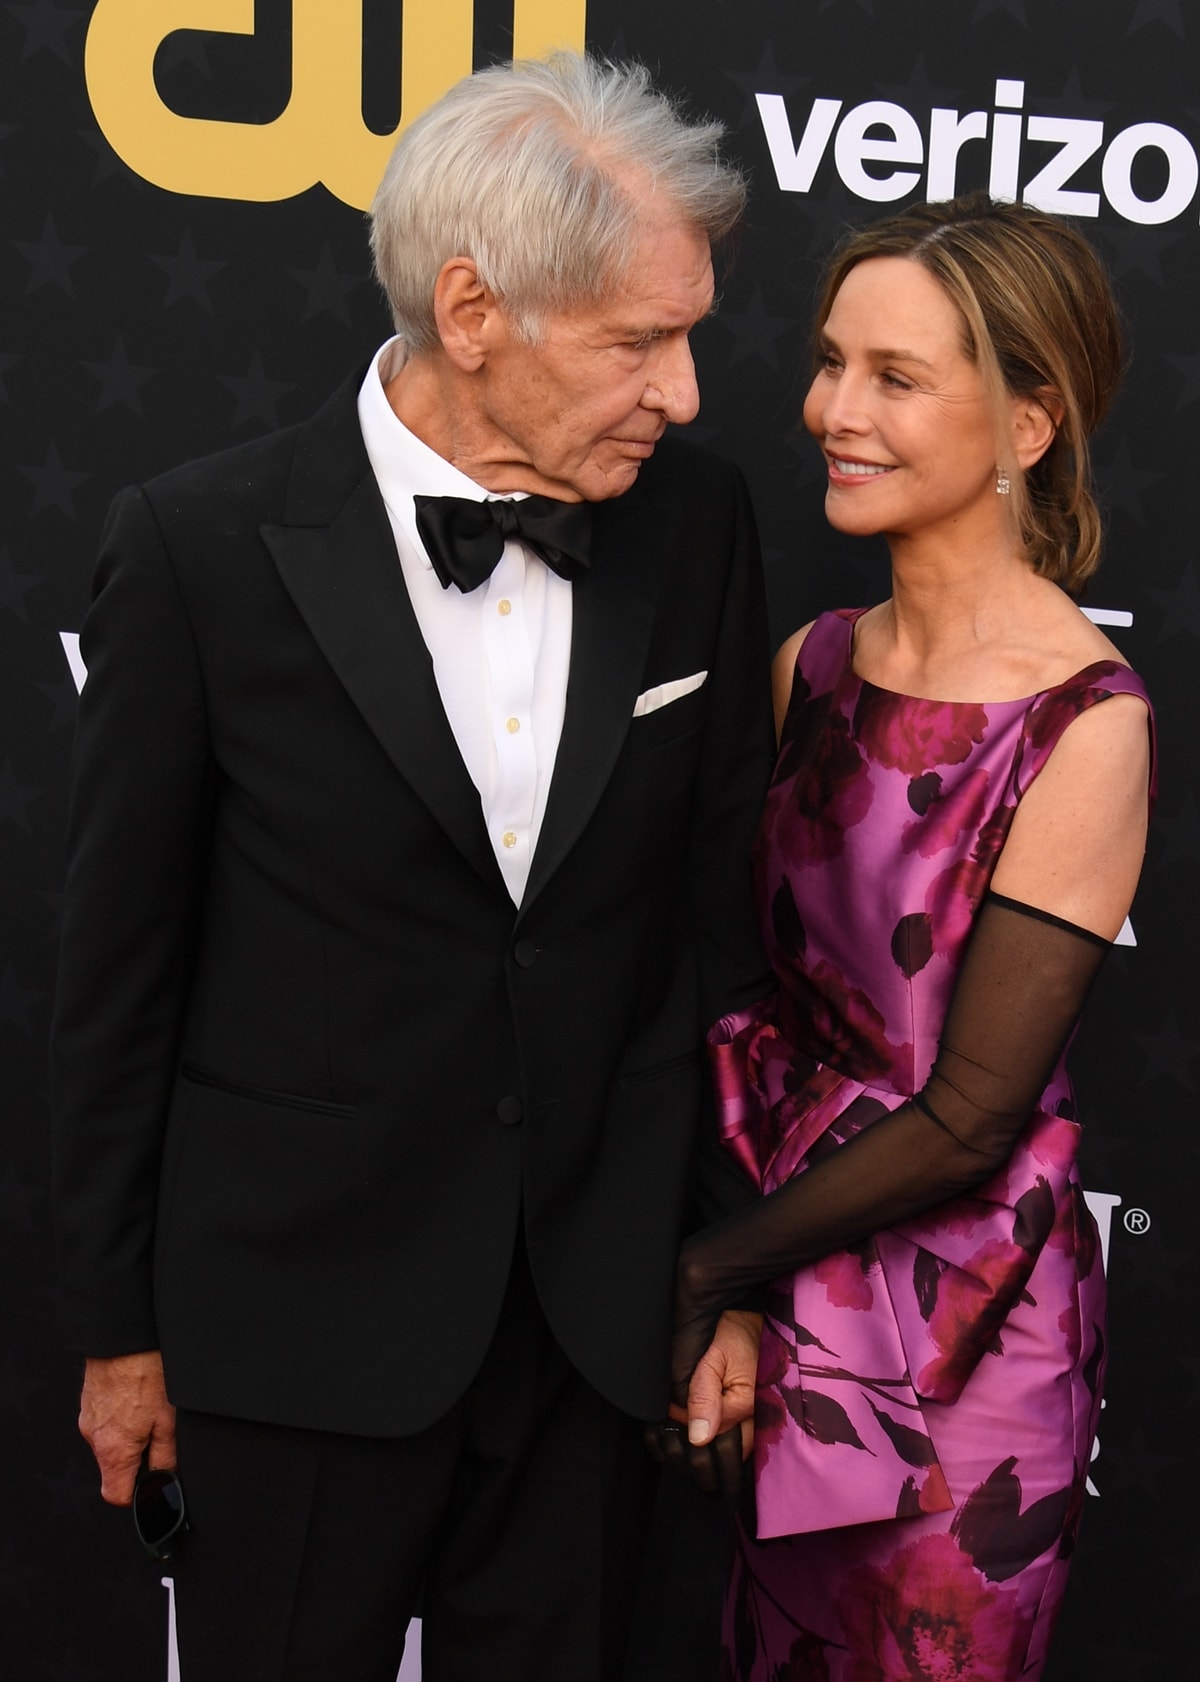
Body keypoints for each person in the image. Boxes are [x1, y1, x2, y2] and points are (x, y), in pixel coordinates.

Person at [50, 53, 774, 1682]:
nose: (685, 392)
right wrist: (117, 1334)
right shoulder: (198, 548)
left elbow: (720, 936)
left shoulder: (698, 525)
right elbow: (115, 985)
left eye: (690, 337)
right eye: (640, 342)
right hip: (295, 1329)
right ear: (472, 309)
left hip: (596, 1338)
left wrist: (731, 1275)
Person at [664, 192, 1154, 1680]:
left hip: (972, 1346)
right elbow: (742, 1009)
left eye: (896, 375)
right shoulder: (807, 666)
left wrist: (704, 1273)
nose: (833, 409)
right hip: (793, 1306)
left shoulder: (1088, 721)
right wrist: (749, 1297)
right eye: (830, 362)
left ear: (1027, 425)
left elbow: (967, 1117)